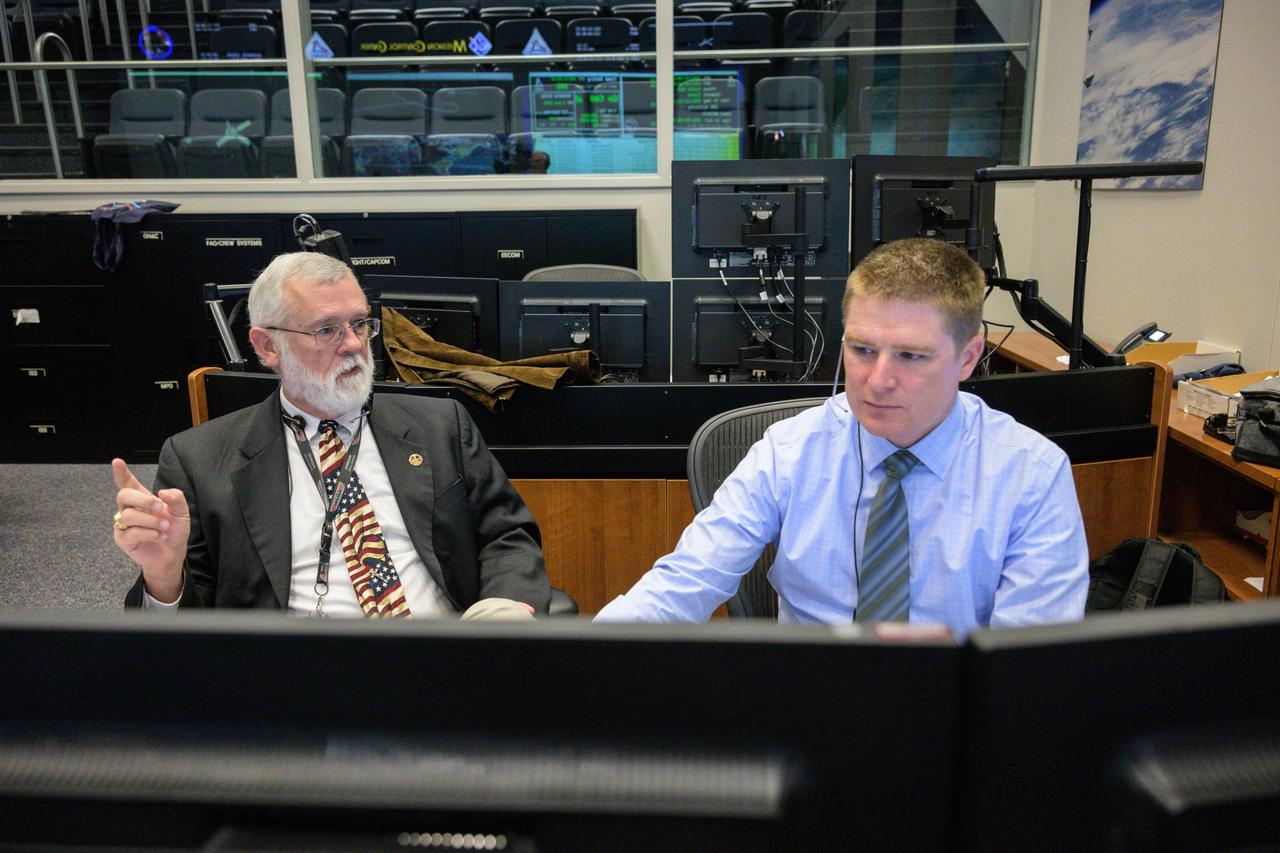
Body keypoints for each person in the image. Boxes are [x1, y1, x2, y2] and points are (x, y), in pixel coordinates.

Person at [595, 238, 1088, 633]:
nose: (877, 380)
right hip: (810, 710)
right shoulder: (790, 451)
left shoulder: (1031, 474)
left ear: (967, 356)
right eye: (862, 350)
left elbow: (1027, 665)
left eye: (910, 356)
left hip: (955, 724)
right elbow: (687, 580)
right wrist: (577, 663)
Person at [113, 252, 550, 618]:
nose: (354, 345)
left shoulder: (440, 425)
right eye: (327, 330)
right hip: (301, 681)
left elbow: (506, 535)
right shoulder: (199, 460)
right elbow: (185, 639)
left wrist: (506, 603)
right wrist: (164, 577)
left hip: (441, 657)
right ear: (267, 346)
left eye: (359, 323)